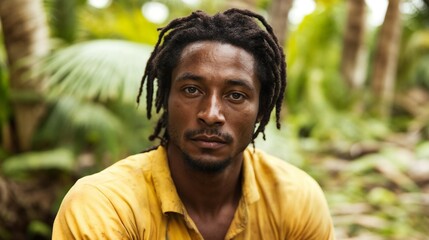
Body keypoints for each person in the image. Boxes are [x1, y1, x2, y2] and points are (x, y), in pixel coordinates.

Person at [52, 8, 335, 240]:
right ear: (166, 97)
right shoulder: (104, 204)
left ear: (262, 111)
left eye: (235, 95)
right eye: (191, 90)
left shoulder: (296, 199)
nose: (211, 114)